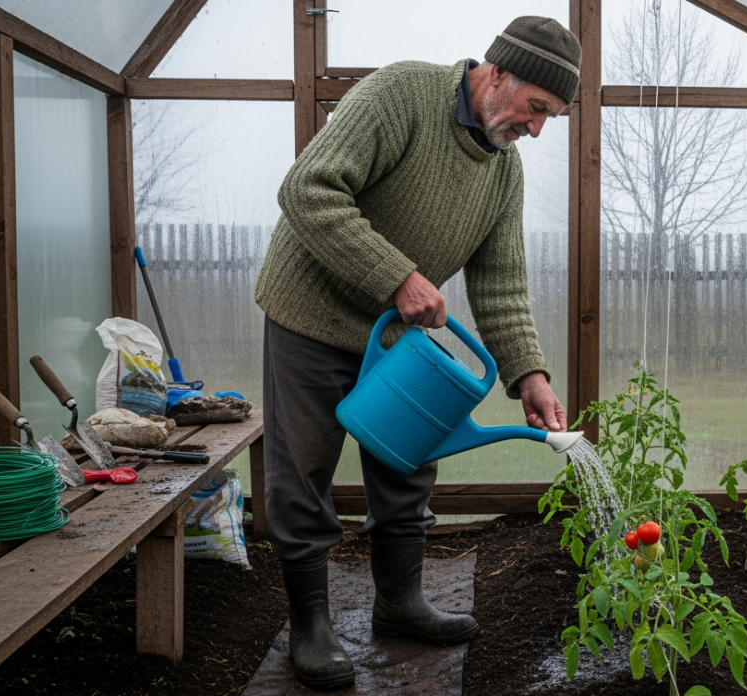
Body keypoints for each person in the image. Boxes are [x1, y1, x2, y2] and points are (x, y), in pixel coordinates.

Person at [253, 16, 581, 691]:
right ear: (497, 76)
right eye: (537, 109)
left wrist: (531, 375)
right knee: (304, 469)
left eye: (551, 117)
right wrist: (396, 276)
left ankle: (398, 602)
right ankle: (310, 625)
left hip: (397, 334)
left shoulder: (502, 170)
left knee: (407, 466)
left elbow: (501, 282)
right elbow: (307, 189)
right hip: (311, 314)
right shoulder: (401, 96)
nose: (538, 129)